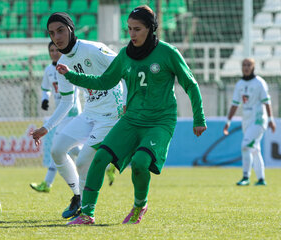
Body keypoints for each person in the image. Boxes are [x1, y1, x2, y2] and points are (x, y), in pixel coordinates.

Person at [57, 5, 207, 225]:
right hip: (131, 119)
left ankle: (140, 206)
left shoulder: (167, 53)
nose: (132, 34)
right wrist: (72, 76)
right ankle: (87, 214)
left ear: (150, 28)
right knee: (99, 159)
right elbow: (104, 82)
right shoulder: (126, 54)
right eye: (129, 29)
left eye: (137, 29)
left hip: (159, 121)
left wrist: (199, 118)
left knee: (139, 163)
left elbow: (191, 85)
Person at [30, 12, 125, 219]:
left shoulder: (93, 49)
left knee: (83, 161)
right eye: (52, 33)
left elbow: (124, 68)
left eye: (61, 30)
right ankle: (77, 196)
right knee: (57, 150)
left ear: (71, 29)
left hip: (110, 115)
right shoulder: (62, 62)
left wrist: (127, 102)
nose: (56, 37)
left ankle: (86, 210)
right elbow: (67, 101)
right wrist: (46, 128)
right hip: (90, 113)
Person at [30, 41, 81, 193]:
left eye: (56, 49)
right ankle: (105, 162)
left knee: (62, 149)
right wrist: (45, 99)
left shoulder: (68, 65)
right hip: (61, 114)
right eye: (51, 50)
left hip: (72, 112)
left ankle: (48, 183)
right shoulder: (48, 70)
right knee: (69, 149)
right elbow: (45, 88)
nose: (54, 52)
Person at [223, 58, 276, 186]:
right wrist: (228, 121)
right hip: (246, 121)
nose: (246, 67)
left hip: (258, 120)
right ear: (241, 67)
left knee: (245, 146)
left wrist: (270, 119)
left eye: (249, 65)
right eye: (244, 65)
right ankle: (261, 179)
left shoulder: (259, 83)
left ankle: (245, 177)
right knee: (254, 149)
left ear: (253, 67)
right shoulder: (240, 84)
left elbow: (266, 102)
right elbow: (235, 104)